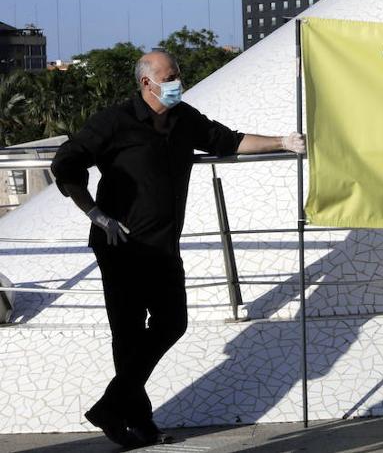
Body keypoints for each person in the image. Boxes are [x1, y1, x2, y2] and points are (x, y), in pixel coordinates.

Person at [51, 49, 306, 447]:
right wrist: (96, 214)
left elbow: (230, 141)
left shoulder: (185, 119)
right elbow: (66, 163)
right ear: (146, 82)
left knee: (173, 323)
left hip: (163, 245)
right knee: (128, 335)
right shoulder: (114, 122)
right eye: (170, 77)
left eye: (178, 76)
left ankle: (109, 407)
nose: (177, 83)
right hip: (121, 247)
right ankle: (138, 424)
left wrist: (284, 142)